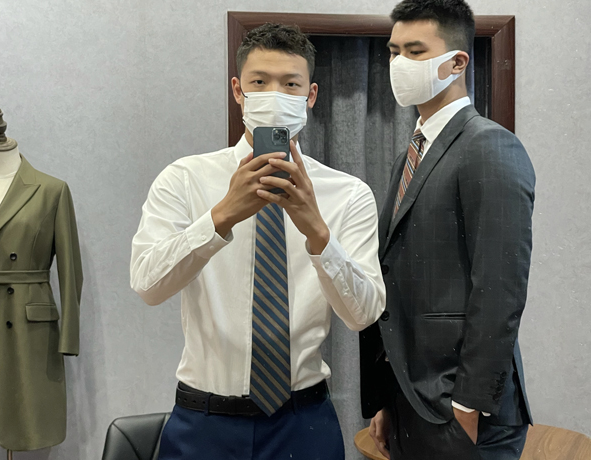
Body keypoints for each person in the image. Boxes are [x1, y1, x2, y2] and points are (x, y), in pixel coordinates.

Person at [130, 23, 385, 460]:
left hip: (304, 423)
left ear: (311, 95)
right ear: (238, 90)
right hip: (203, 422)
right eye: (260, 82)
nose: (275, 94)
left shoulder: (348, 194)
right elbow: (148, 285)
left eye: (290, 84)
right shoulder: (184, 179)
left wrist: (317, 233)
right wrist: (221, 216)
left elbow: (363, 315)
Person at [360, 1, 535, 459]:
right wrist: (387, 398)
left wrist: (469, 405)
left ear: (457, 62)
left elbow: (500, 287)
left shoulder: (489, 145)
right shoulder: (410, 155)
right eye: (394, 51)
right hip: (410, 398)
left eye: (415, 51)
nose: (399, 63)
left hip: (460, 407)